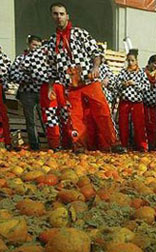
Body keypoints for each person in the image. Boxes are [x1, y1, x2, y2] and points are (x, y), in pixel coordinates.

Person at [46, 2, 120, 152]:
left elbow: (96, 53)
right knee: (74, 117)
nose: (59, 17)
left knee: (103, 111)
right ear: (52, 16)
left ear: (67, 16)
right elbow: (52, 68)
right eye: (55, 14)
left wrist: (95, 67)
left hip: (89, 80)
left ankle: (114, 143)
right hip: (71, 85)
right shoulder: (52, 41)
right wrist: (50, 87)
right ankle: (79, 146)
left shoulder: (80, 33)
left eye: (61, 14)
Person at [21, 42, 71, 150]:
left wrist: (36, 76)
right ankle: (70, 142)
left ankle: (55, 145)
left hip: (47, 85)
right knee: (66, 114)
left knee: (51, 116)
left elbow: (24, 65)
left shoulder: (35, 53)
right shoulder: (62, 50)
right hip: (62, 85)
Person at [8, 35, 42, 150]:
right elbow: (12, 74)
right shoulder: (20, 58)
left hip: (42, 92)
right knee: (30, 121)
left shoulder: (44, 59)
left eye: (39, 46)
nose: (36, 48)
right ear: (28, 44)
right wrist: (29, 78)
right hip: (27, 93)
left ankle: (52, 144)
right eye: (34, 45)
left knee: (48, 119)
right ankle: (35, 145)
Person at [116, 49, 149, 152]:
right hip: (124, 101)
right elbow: (116, 84)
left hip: (137, 102)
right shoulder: (123, 72)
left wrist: (135, 84)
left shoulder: (141, 73)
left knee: (139, 124)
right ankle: (123, 145)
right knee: (123, 124)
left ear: (136, 60)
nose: (130, 63)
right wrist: (123, 84)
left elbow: (147, 87)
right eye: (128, 60)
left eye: (132, 60)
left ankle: (142, 146)